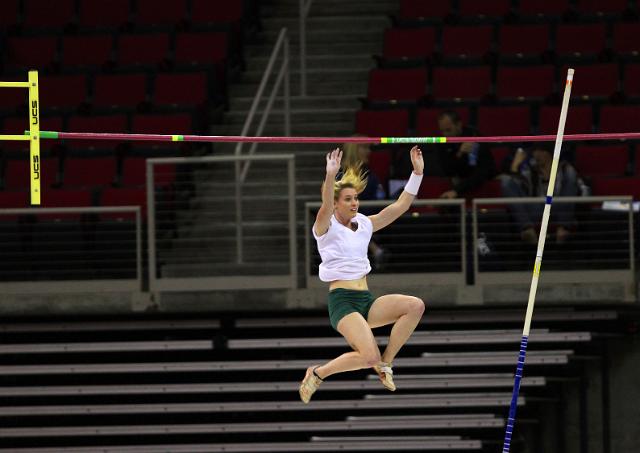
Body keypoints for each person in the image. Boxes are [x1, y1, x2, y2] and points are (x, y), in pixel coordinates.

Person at [299, 146, 426, 404]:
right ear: (336, 203)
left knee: (415, 306)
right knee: (368, 357)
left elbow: (400, 206)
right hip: (342, 303)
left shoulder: (365, 224)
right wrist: (330, 175)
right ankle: (318, 373)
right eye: (347, 199)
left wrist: (417, 173)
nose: (354, 203)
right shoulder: (325, 227)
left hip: (365, 300)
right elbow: (324, 204)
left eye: (356, 198)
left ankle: (387, 363)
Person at [499, 145, 580, 244]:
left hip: (557, 206)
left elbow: (573, 190)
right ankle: (527, 229)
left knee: (570, 175)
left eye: (539, 151)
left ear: (548, 154)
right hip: (536, 207)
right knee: (506, 181)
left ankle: (563, 227)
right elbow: (517, 185)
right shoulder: (530, 170)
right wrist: (514, 167)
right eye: (534, 151)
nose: (535, 155)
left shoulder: (564, 169)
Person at [341, 139, 387, 269]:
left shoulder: (368, 172)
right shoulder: (341, 173)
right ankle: (375, 250)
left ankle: (375, 251)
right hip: (350, 216)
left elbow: (378, 194)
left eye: (369, 148)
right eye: (365, 148)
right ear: (355, 150)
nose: (369, 152)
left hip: (369, 212)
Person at [435, 110, 495, 199]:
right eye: (442, 131)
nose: (445, 134)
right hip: (458, 181)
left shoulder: (474, 137)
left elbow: (483, 170)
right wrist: (460, 153)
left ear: (458, 125)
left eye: (448, 130)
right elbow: (447, 171)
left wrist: (457, 190)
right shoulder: (442, 141)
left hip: (477, 181)